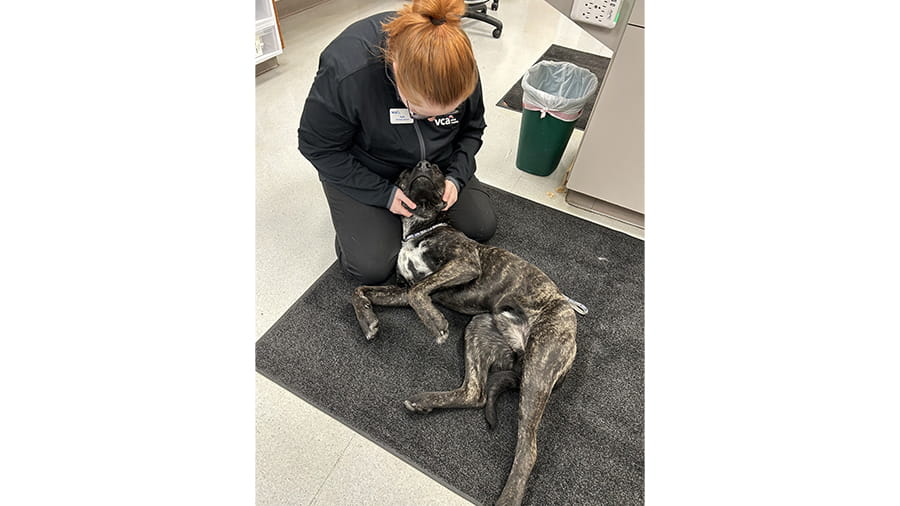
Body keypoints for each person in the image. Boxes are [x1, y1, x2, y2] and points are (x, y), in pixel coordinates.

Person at [298, 0, 497, 284]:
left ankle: (400, 217)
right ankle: (368, 221)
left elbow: (473, 128)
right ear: (396, 69)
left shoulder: (458, 65)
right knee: (371, 267)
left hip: (437, 165)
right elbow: (317, 146)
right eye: (420, 112)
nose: (434, 120)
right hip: (368, 166)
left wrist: (457, 176)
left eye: (446, 112)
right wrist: (382, 194)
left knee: (481, 227)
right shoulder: (347, 70)